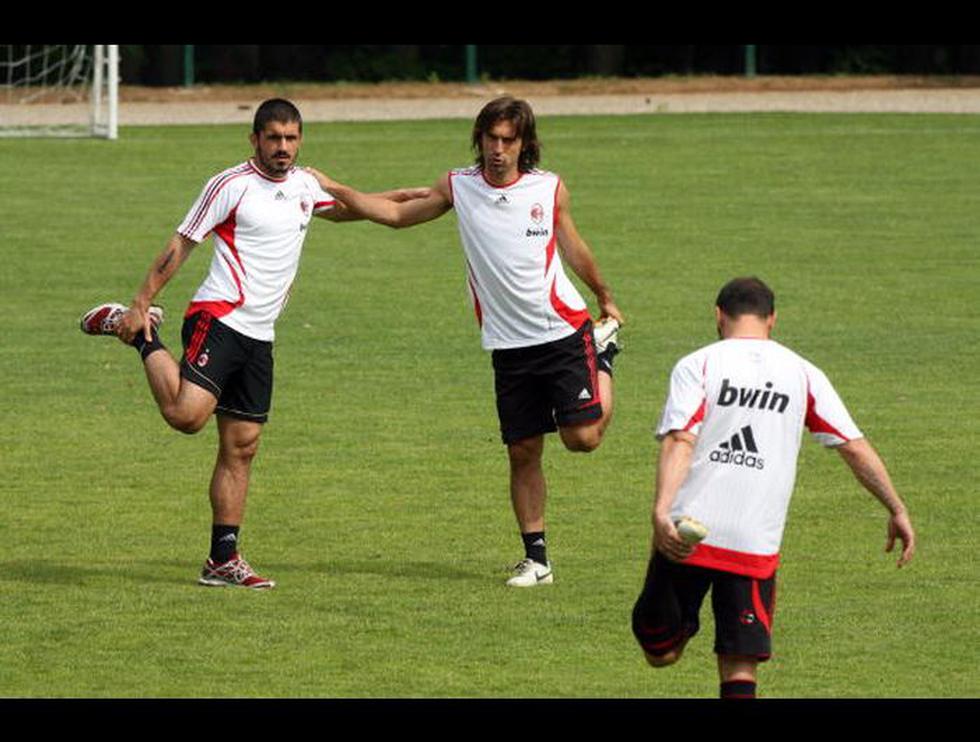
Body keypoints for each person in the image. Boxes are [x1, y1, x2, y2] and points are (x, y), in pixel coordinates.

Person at [80, 98, 428, 589]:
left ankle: (222, 559)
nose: (282, 148)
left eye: (290, 138)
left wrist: (393, 195)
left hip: (260, 336)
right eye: (273, 138)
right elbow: (182, 241)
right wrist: (142, 299)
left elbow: (341, 211)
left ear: (300, 139)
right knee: (186, 416)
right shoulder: (231, 185)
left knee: (241, 447)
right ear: (255, 140)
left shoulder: (306, 186)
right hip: (218, 317)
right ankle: (141, 332)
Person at [303, 96, 625, 587]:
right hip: (508, 345)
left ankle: (604, 356)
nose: (497, 150)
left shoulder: (548, 188)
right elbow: (393, 214)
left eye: (507, 141)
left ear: (524, 145)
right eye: (490, 139)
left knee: (582, 440)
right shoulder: (459, 187)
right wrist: (333, 187)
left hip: (562, 332)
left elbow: (572, 245)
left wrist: (604, 294)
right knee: (522, 451)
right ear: (479, 140)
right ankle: (537, 560)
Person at [631, 276, 916, 698]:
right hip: (753, 543)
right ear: (772, 319)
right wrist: (896, 507)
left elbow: (680, 440)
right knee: (740, 666)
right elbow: (853, 447)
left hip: (685, 532)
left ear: (718, 315)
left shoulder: (699, 364)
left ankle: (669, 617)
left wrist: (660, 509)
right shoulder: (802, 372)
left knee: (660, 650)